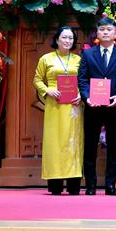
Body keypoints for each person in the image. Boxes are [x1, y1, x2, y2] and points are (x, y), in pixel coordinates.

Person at [77, 17, 116, 195]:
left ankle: (111, 185)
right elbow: (82, 79)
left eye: (109, 29)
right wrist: (87, 97)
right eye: (102, 30)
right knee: (90, 147)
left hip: (114, 107)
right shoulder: (88, 54)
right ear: (97, 33)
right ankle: (90, 185)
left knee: (114, 147)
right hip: (93, 108)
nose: (106, 32)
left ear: (115, 32)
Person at [34, 25, 83, 195]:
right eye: (64, 37)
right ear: (57, 39)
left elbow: (84, 81)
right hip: (54, 105)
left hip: (73, 106)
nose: (67, 41)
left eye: (71, 38)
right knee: (54, 142)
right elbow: (37, 80)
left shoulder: (78, 60)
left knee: (73, 141)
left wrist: (81, 94)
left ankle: (73, 183)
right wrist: (47, 90)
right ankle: (55, 184)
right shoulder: (46, 59)